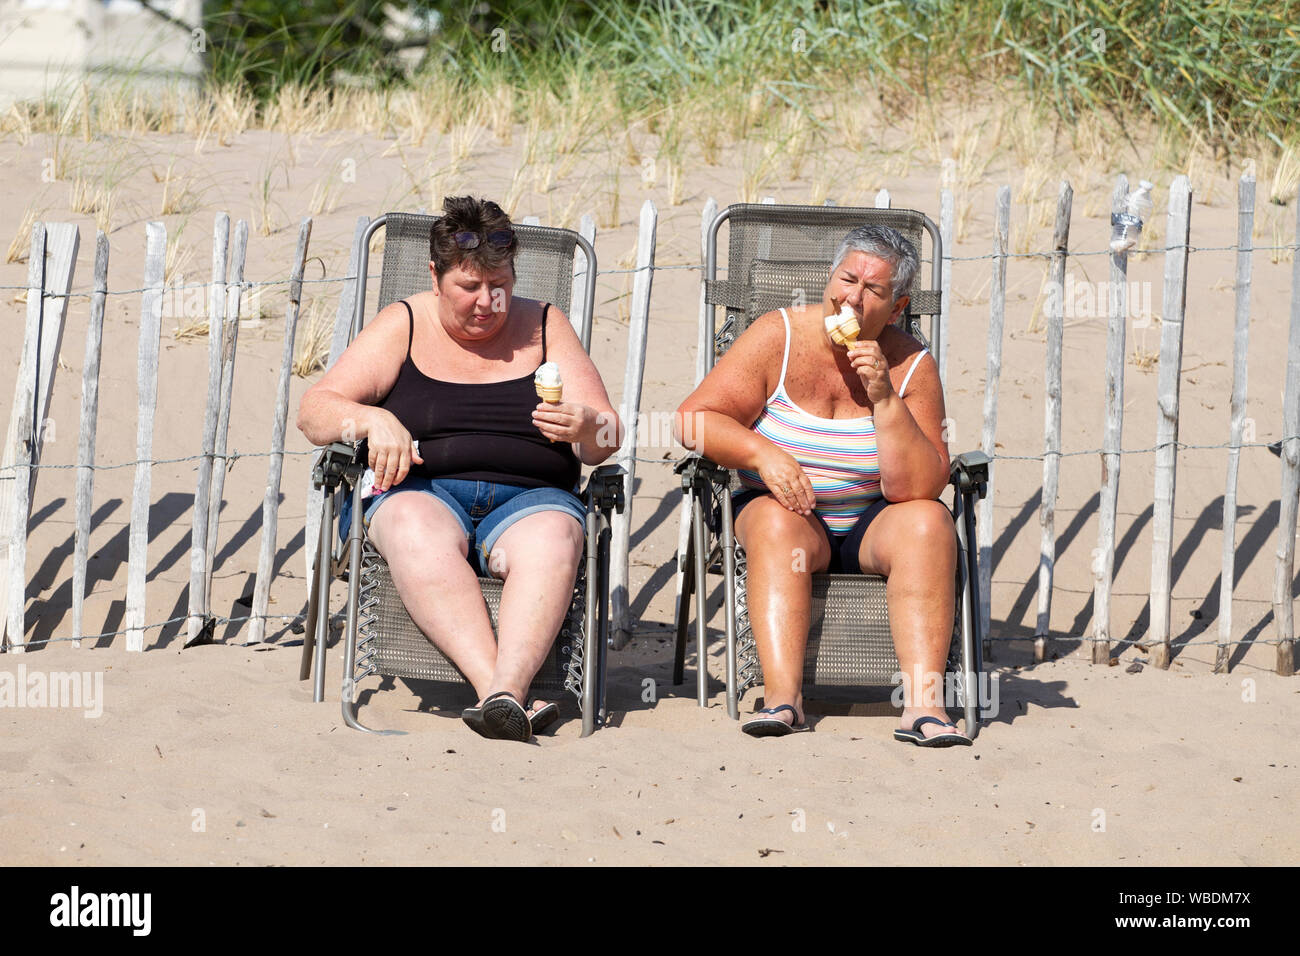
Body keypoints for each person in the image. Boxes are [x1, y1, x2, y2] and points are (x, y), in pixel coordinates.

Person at [297, 196, 622, 741]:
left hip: (532, 497)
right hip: (424, 492)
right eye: (468, 288)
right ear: (435, 276)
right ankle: (501, 692)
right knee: (410, 527)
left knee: (555, 538)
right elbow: (313, 413)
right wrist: (371, 420)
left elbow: (605, 441)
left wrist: (587, 425)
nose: (487, 303)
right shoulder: (403, 323)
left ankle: (502, 693)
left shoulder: (545, 323)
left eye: (499, 285)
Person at [675, 225, 969, 746]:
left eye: (873, 291)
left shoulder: (911, 365)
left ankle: (924, 708)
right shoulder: (777, 335)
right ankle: (783, 700)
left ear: (897, 307)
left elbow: (919, 487)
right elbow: (693, 420)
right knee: (772, 521)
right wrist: (763, 455)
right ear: (828, 278)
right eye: (847, 278)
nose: (852, 298)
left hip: (872, 522)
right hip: (787, 515)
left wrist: (884, 398)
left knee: (929, 522)